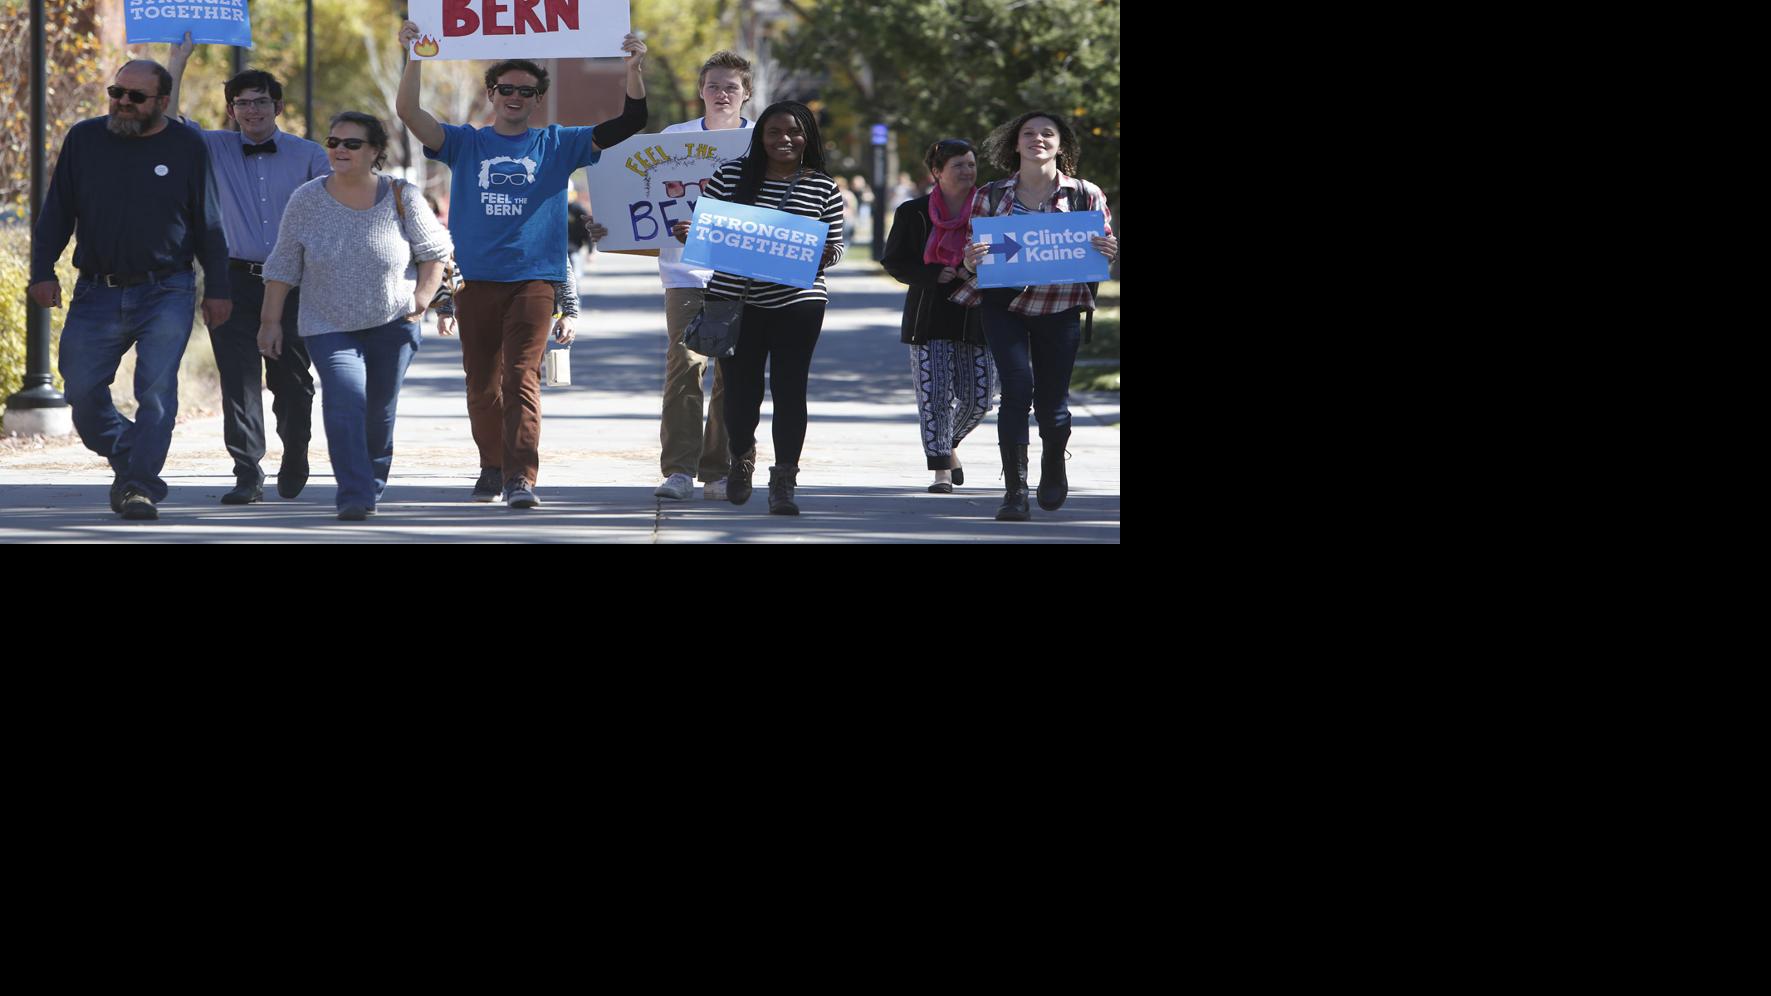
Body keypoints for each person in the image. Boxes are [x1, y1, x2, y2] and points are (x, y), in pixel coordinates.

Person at [396, 20, 650, 509]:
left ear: (538, 98)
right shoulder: (464, 143)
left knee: (521, 376)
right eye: (506, 88)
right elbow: (408, 111)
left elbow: (629, 123)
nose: (515, 96)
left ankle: (520, 477)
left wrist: (632, 71)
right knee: (481, 385)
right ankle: (492, 465)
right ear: (492, 93)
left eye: (526, 91)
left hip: (535, 279)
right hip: (474, 280)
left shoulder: (559, 143)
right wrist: (415, 56)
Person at [28, 59, 231, 521]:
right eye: (116, 92)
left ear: (162, 102)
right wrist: (42, 271)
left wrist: (217, 288)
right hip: (96, 290)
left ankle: (139, 486)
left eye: (136, 97)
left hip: (167, 289)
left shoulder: (187, 146)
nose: (122, 102)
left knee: (156, 392)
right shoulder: (84, 138)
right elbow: (57, 211)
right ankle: (129, 454)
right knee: (80, 389)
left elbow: (209, 225)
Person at [257, 112, 451, 521]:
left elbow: (436, 252)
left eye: (351, 143)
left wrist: (421, 298)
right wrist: (270, 322)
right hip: (328, 323)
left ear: (375, 151)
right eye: (333, 142)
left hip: (394, 323)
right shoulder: (306, 199)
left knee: (379, 413)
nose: (339, 150)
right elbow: (283, 265)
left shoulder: (402, 195)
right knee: (344, 403)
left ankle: (370, 482)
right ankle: (354, 492)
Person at [167, 34, 331, 505]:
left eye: (261, 102)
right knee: (238, 381)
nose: (252, 111)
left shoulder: (309, 155)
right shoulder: (213, 147)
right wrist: (177, 63)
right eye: (242, 104)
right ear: (231, 110)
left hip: (295, 282)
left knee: (292, 382)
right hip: (232, 279)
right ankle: (246, 472)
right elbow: (172, 121)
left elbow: (326, 211)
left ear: (277, 106)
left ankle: (295, 450)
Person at [670, 100, 844, 515]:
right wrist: (690, 235)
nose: (784, 139)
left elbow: (835, 246)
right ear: (760, 137)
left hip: (798, 301)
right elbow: (706, 232)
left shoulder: (824, 186)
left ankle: (785, 479)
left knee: (790, 389)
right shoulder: (731, 176)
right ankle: (741, 459)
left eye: (794, 132)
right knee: (742, 392)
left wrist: (822, 256)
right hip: (737, 300)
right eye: (774, 132)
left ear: (808, 138)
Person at [953, 111, 1118, 521]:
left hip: (1059, 304)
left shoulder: (1085, 195)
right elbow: (972, 257)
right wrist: (971, 261)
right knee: (1016, 388)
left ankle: (1053, 462)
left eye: (1048, 134)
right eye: (1028, 133)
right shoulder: (990, 195)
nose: (1037, 139)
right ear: (1015, 143)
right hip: (1003, 303)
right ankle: (1015, 490)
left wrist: (1108, 253)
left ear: (1061, 145)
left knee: (1053, 401)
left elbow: (1103, 248)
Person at [650, 50, 756, 503]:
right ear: (700, 91)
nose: (721, 94)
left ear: (746, 94)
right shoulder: (674, 139)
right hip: (685, 272)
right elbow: (646, 201)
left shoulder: (762, 142)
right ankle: (678, 469)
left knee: (734, 376)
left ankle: (718, 469)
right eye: (713, 85)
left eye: (731, 87)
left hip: (745, 275)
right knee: (686, 370)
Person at [880, 138, 995, 494]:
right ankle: (941, 471)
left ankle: (947, 446)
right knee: (934, 397)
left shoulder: (992, 210)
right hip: (929, 314)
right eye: (958, 165)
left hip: (976, 314)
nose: (967, 171)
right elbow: (894, 261)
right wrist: (932, 273)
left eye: (971, 164)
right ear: (937, 172)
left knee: (979, 399)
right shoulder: (912, 212)